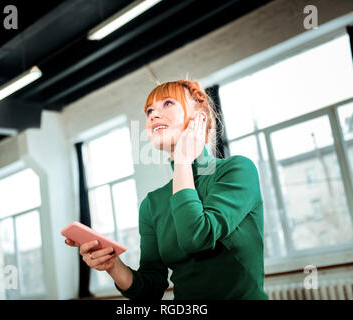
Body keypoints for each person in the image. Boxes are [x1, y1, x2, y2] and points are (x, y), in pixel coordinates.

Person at [65, 79, 268, 300]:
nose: (153, 115)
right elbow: (150, 290)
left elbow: (196, 237)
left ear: (199, 117)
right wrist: (113, 265)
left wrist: (182, 160)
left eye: (168, 103)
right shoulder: (152, 204)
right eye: (149, 110)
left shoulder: (237, 170)